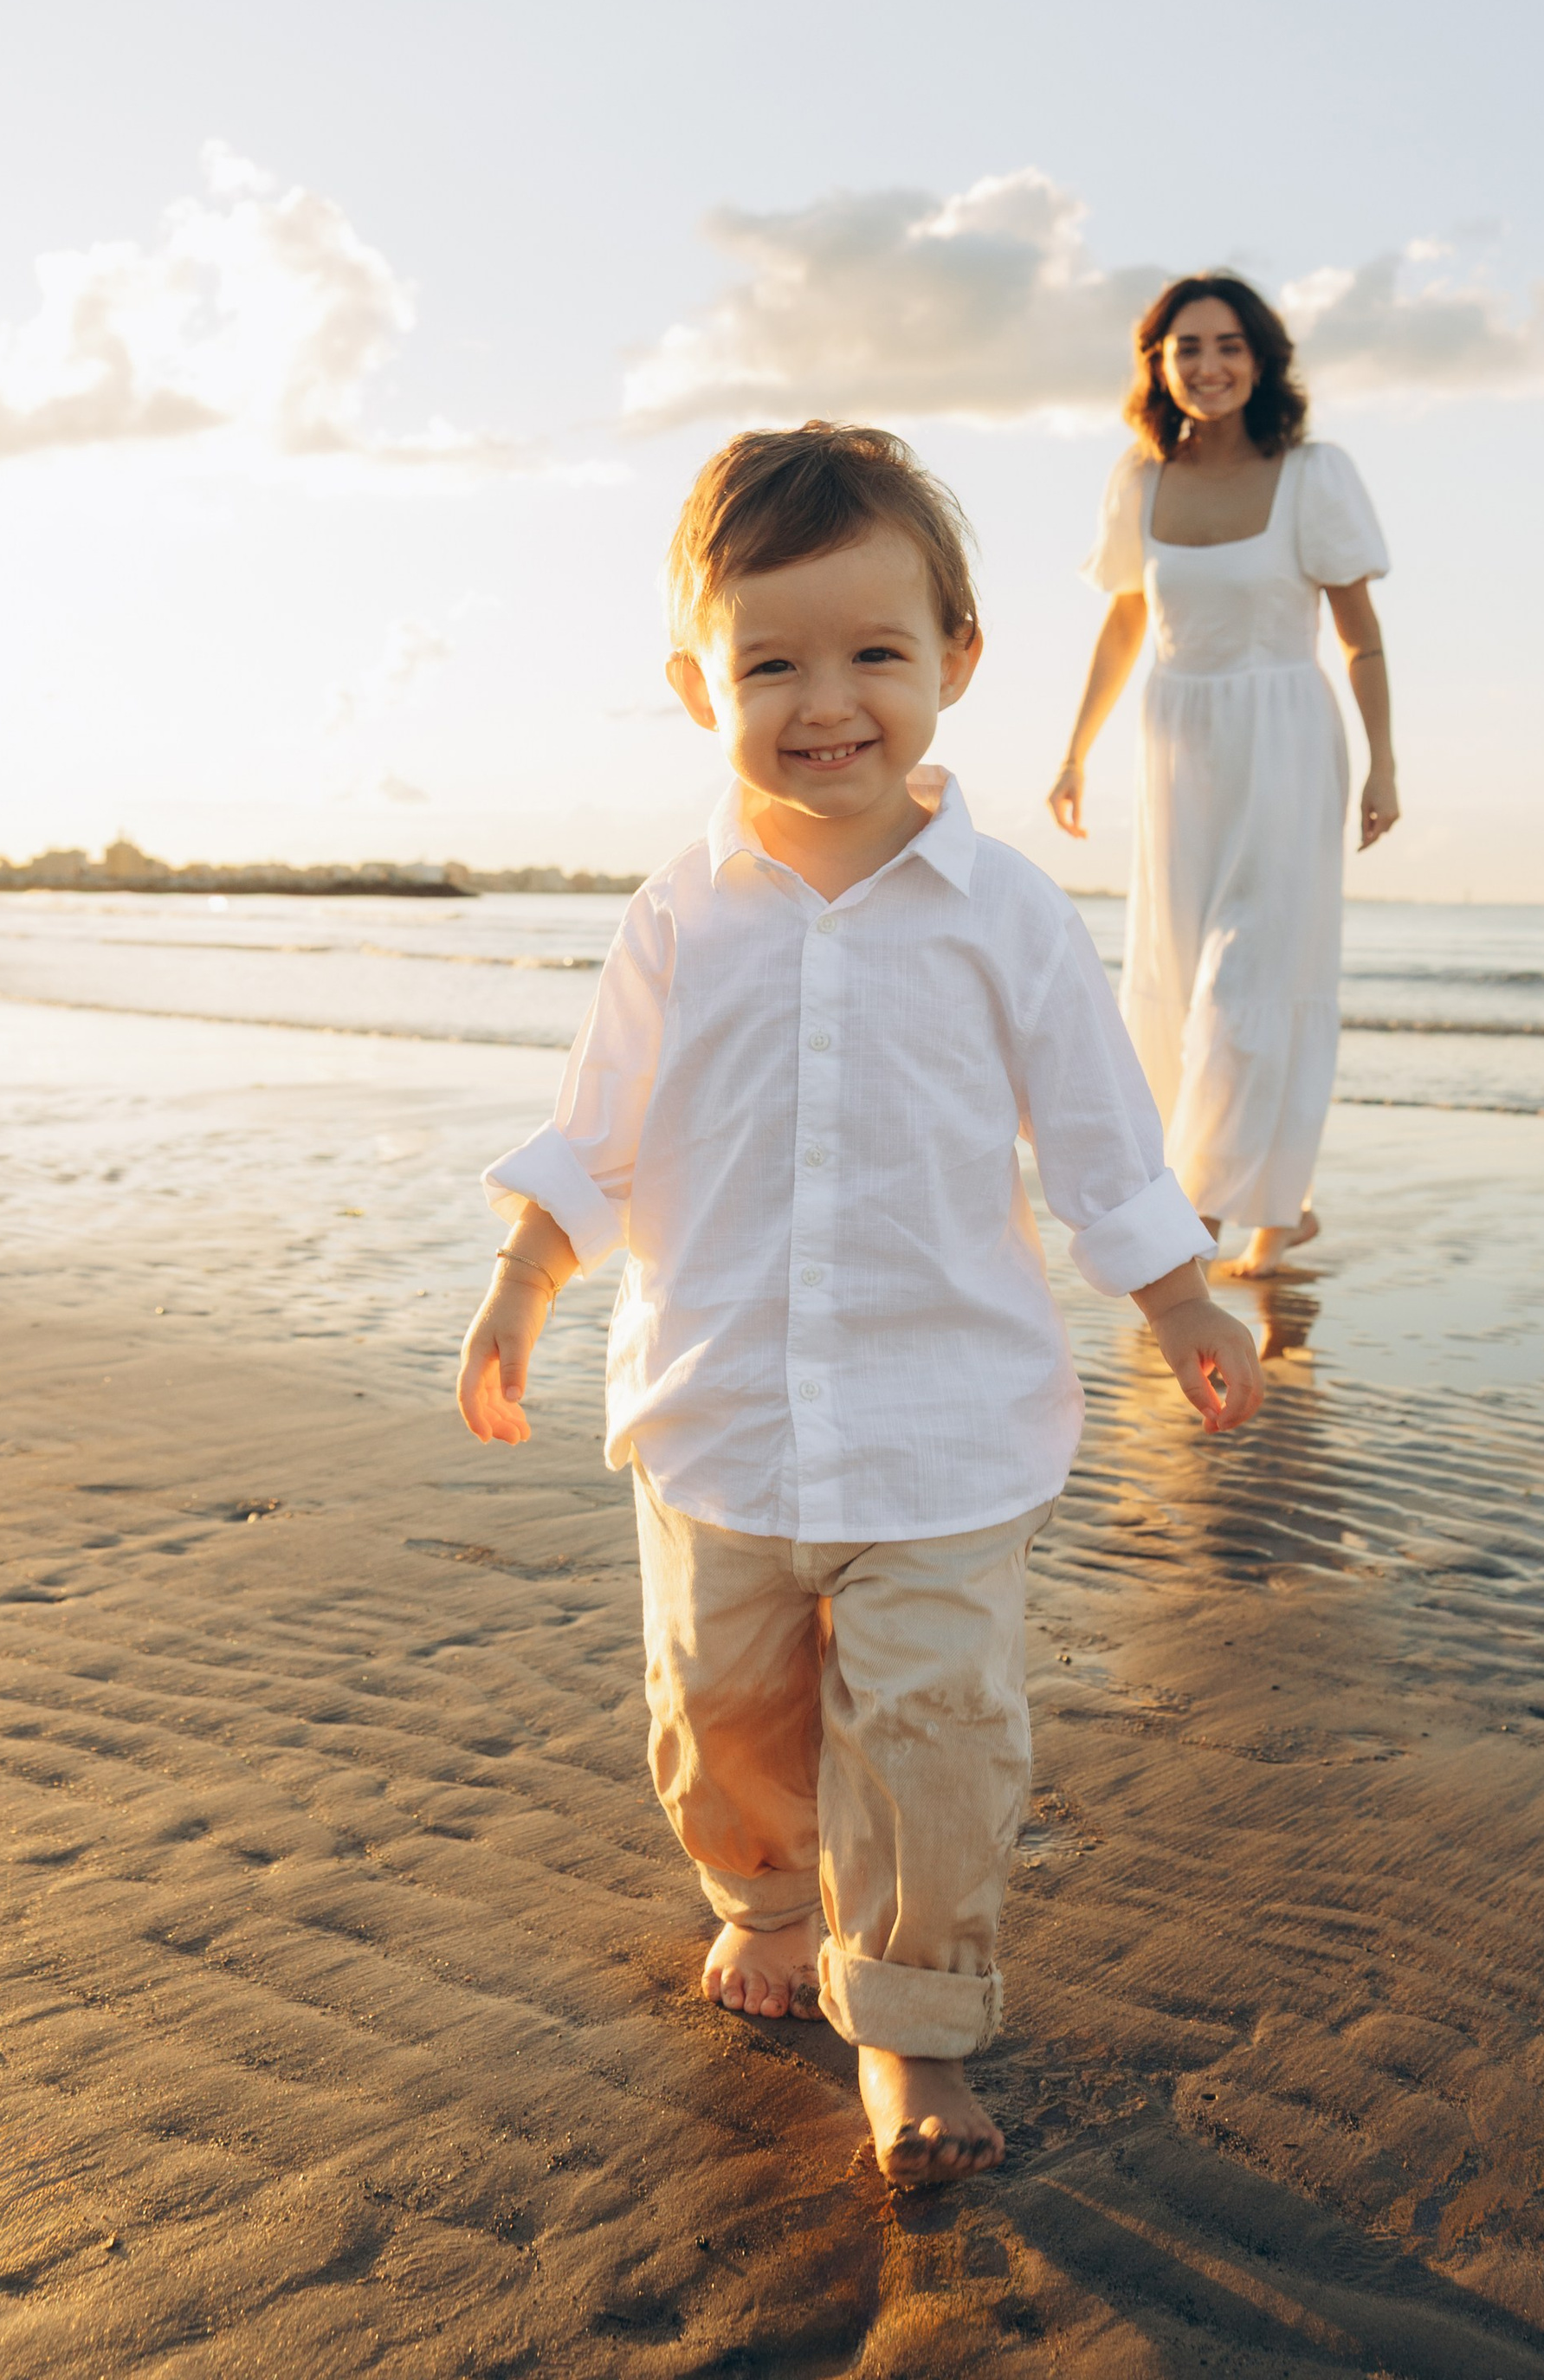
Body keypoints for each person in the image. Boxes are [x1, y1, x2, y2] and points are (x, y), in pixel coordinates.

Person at [454, 421, 1263, 2185]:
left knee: (932, 1736)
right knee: (718, 1707)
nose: (825, 702)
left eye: (873, 656)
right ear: (699, 684)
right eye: (771, 664)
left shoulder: (1004, 919)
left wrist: (1182, 1304)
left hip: (942, 1430)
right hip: (718, 1413)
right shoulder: (681, 917)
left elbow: (1098, 1138)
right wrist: (523, 1286)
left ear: (954, 661)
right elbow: (598, 1129)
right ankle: (755, 1899)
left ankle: (905, 2023)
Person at [1049, 274, 1398, 1277]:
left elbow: (1360, 639)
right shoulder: (1138, 481)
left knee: (1250, 977)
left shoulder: (1313, 473)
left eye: (1228, 345)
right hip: (1176, 738)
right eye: (1187, 347)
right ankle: (1268, 1207)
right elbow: (1125, 619)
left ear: (1262, 359)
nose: (1208, 366)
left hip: (1285, 733)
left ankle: (1201, 1212)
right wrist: (1074, 749)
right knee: (1171, 975)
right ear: (1158, 364)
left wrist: (1382, 766)